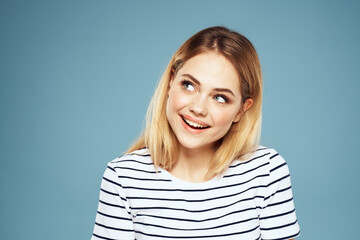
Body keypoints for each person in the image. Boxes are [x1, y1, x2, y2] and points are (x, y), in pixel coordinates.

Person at [91, 26, 300, 240]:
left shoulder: (266, 172)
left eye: (220, 97)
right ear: (172, 82)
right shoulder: (123, 178)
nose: (198, 108)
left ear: (241, 109)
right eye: (189, 85)